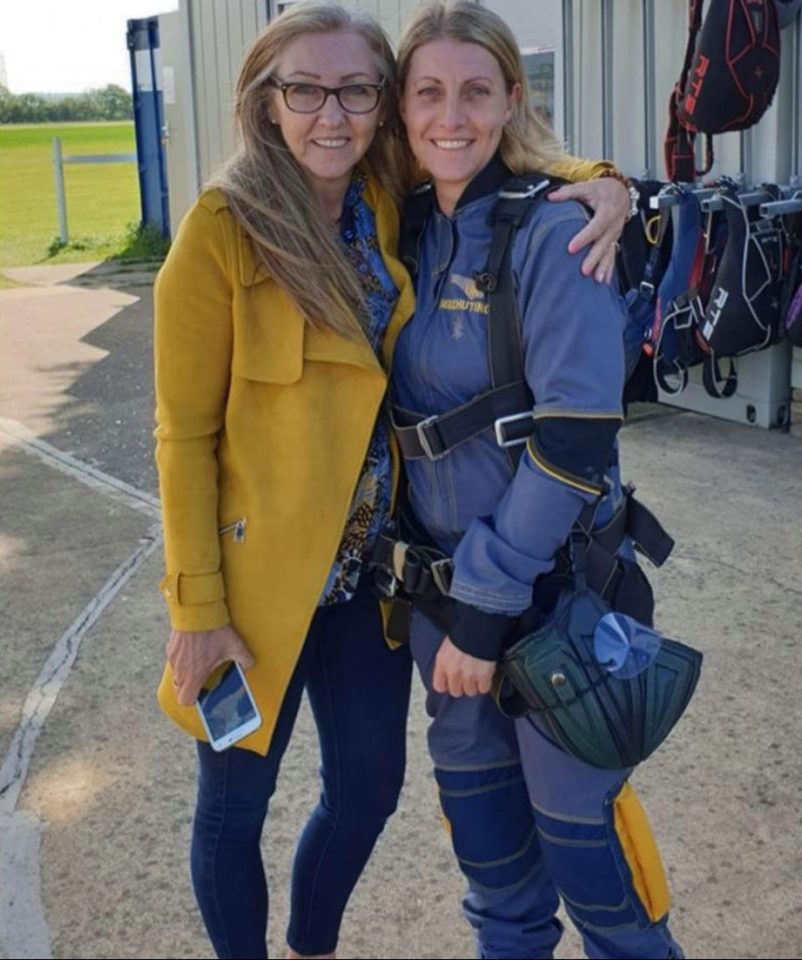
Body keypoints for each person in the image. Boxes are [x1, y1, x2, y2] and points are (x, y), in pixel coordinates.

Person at [152, 3, 632, 958]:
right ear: (266, 100)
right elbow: (184, 435)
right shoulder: (220, 232)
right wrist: (196, 606)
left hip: (374, 579)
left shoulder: (382, 202)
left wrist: (606, 183)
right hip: (260, 589)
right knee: (236, 802)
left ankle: (311, 946)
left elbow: (493, 152)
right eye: (305, 89)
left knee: (369, 789)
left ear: (379, 106)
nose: (332, 112)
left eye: (357, 89)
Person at [386, 3, 684, 958]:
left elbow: (576, 441)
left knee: (599, 886)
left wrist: (482, 607)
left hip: (553, 609)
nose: (452, 116)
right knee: (497, 892)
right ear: (401, 107)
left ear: (513, 99)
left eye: (476, 91)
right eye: (428, 91)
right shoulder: (399, 232)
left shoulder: (556, 232)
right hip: (444, 621)